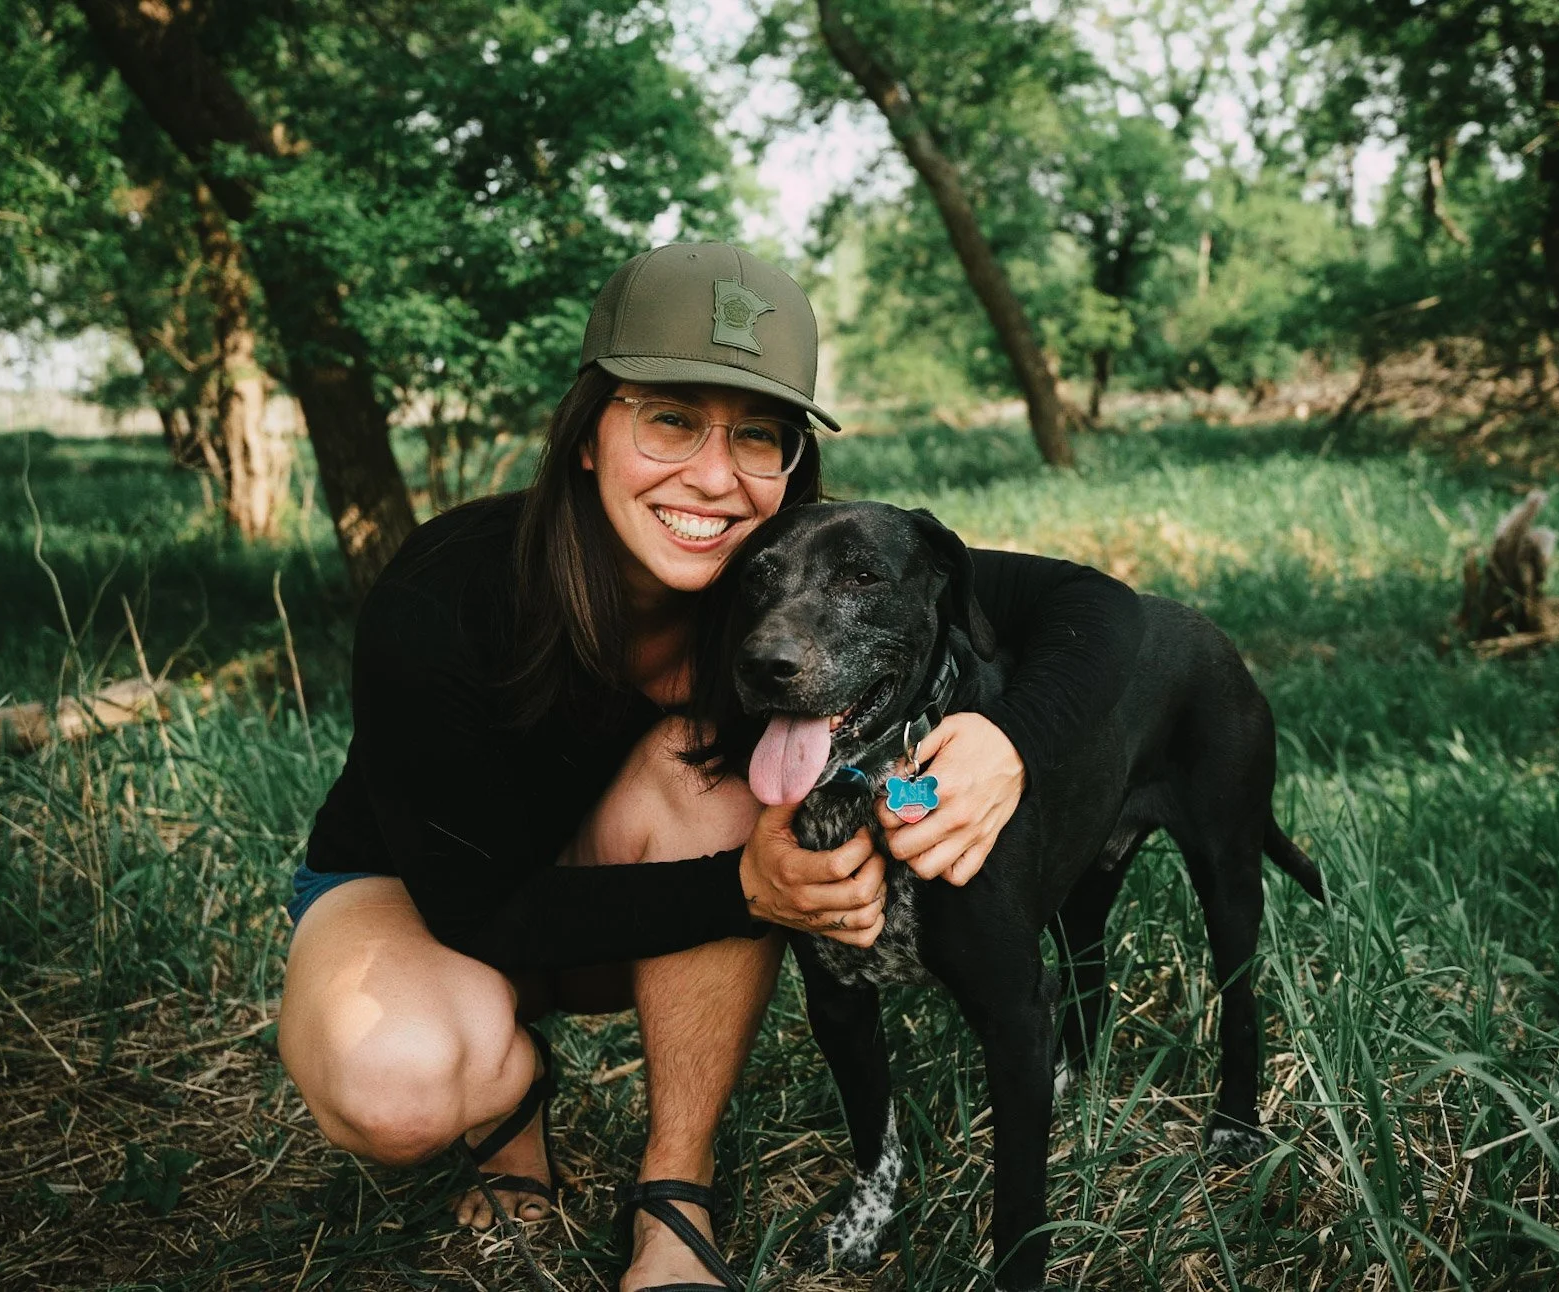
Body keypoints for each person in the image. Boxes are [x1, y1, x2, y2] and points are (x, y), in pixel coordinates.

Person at [275, 243, 1144, 1292]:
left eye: (758, 437)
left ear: (792, 466)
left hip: (627, 865)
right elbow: (477, 905)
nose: (713, 476)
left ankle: (674, 1195)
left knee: (731, 770)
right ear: (588, 433)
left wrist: (1011, 741)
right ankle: (513, 1108)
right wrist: (740, 887)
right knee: (402, 1087)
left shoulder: (783, 571)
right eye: (670, 418)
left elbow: (1094, 606)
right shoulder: (445, 598)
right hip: (422, 889)